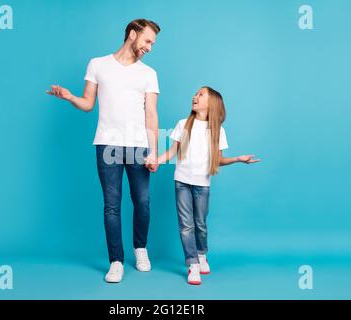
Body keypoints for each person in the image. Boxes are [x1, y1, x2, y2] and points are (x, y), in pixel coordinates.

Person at [46, 19, 161, 283]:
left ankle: (140, 248)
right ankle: (116, 261)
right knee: (112, 205)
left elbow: (151, 114)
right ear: (132, 35)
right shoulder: (98, 65)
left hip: (138, 146)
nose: (150, 47)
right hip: (107, 144)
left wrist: (154, 150)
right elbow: (88, 104)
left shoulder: (148, 73)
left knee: (142, 202)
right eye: (147, 41)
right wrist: (69, 97)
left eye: (153, 43)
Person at [157, 86, 260, 285]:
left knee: (200, 224)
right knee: (186, 226)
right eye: (195, 93)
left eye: (200, 94)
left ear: (211, 103)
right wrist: (156, 161)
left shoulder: (218, 131)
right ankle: (192, 264)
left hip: (202, 185)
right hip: (182, 182)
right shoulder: (183, 125)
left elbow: (218, 160)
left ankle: (201, 253)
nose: (194, 96)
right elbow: (171, 153)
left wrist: (238, 159)